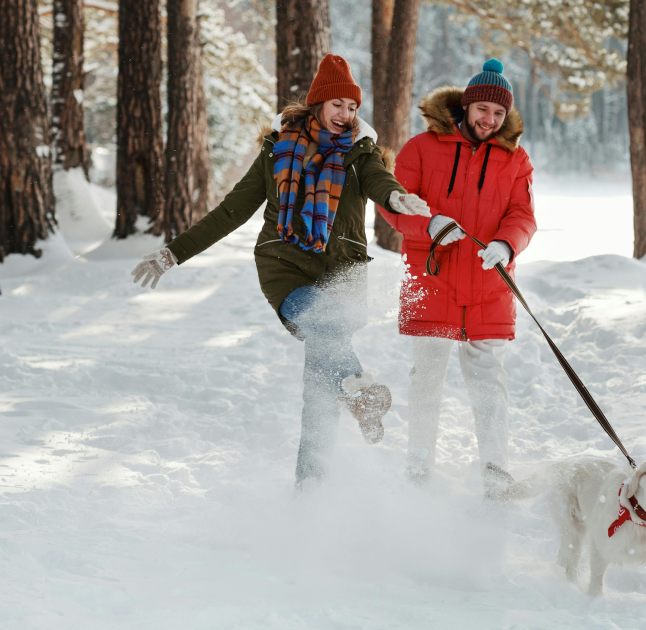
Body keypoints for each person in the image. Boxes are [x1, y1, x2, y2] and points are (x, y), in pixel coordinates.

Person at [131, 54, 433, 488]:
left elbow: (379, 182)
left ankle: (311, 482)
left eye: (352, 108)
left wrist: (397, 199)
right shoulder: (277, 152)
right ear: (318, 105)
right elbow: (231, 211)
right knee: (324, 327)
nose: (346, 116)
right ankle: (360, 389)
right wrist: (173, 254)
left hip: (342, 275)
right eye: (338, 106)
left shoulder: (360, 155)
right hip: (285, 269)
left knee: (319, 385)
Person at [379, 59, 536, 496]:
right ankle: (418, 468)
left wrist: (506, 244)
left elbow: (523, 215)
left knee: (489, 384)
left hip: (489, 284)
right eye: (483, 109)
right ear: (466, 105)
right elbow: (393, 203)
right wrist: (426, 224)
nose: (490, 120)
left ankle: (495, 472)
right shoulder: (422, 148)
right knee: (426, 379)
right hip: (433, 279)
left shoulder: (515, 159)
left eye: (499, 114)